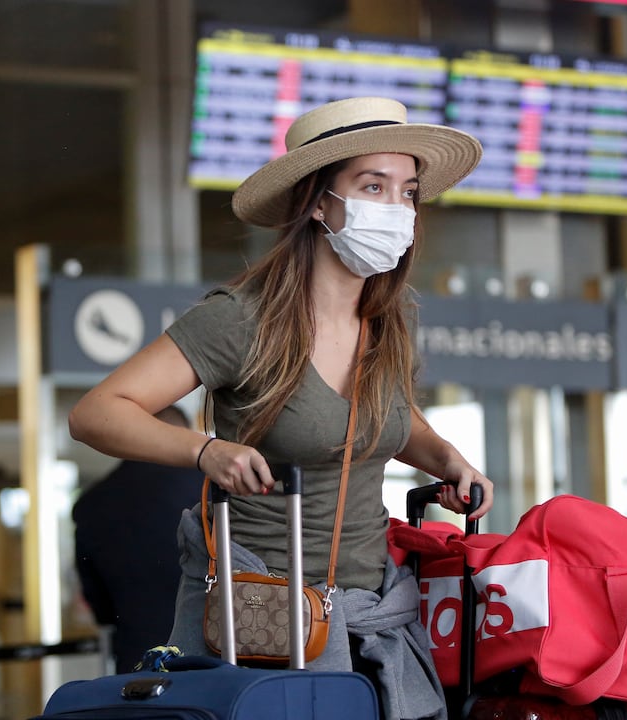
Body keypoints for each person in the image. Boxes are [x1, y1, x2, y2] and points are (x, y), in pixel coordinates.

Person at [68, 96, 494, 720]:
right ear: (319, 201)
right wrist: (205, 451)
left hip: (373, 616)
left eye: (407, 192)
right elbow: (97, 412)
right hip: (262, 617)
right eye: (372, 185)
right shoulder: (241, 321)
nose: (396, 209)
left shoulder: (387, 322)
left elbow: (386, 420)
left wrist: (446, 458)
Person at [72, 405, 205, 673]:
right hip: (210, 657)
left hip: (136, 664)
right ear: (185, 434)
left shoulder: (91, 504)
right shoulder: (209, 487)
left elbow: (100, 605)